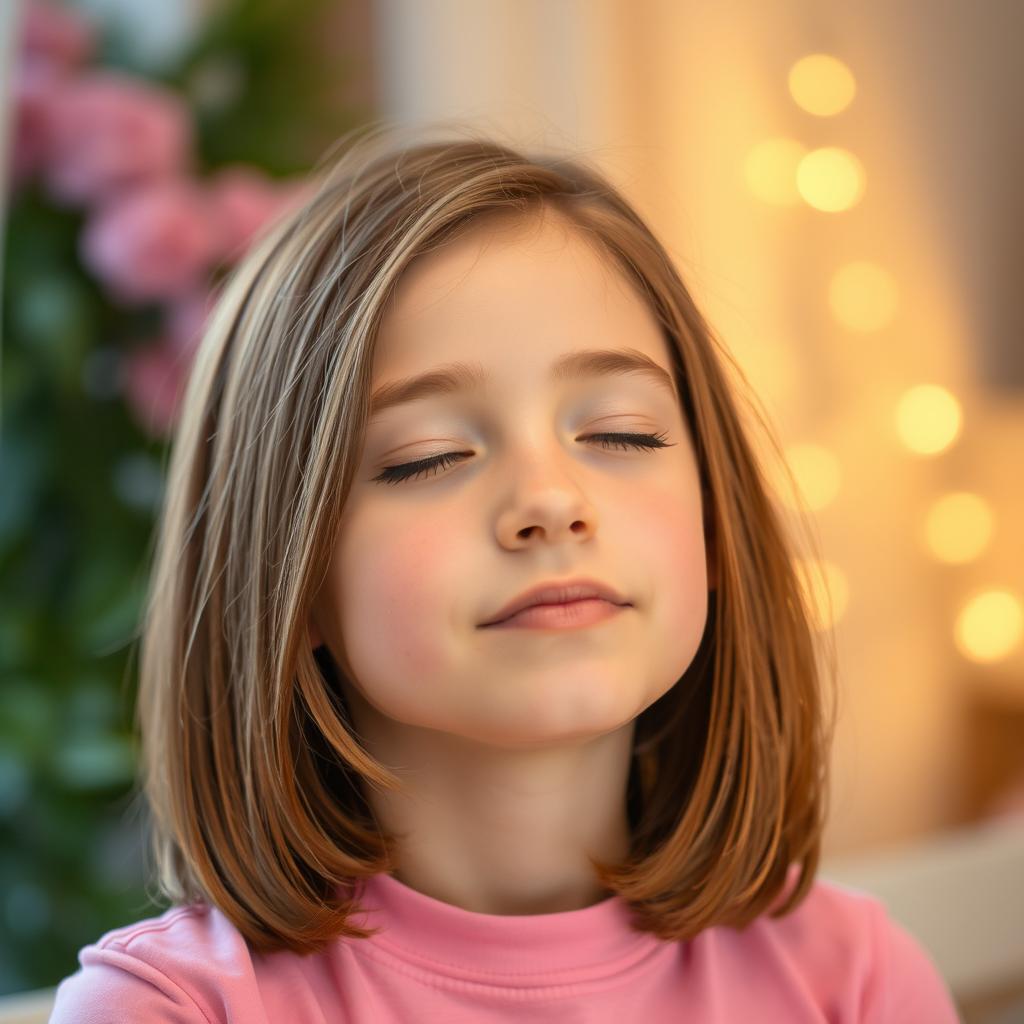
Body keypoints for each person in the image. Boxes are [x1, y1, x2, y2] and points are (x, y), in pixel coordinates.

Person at [50, 123, 961, 1022]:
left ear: (718, 526)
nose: (551, 500)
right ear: (287, 583)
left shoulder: (856, 984)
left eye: (620, 434)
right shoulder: (174, 1012)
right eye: (429, 456)